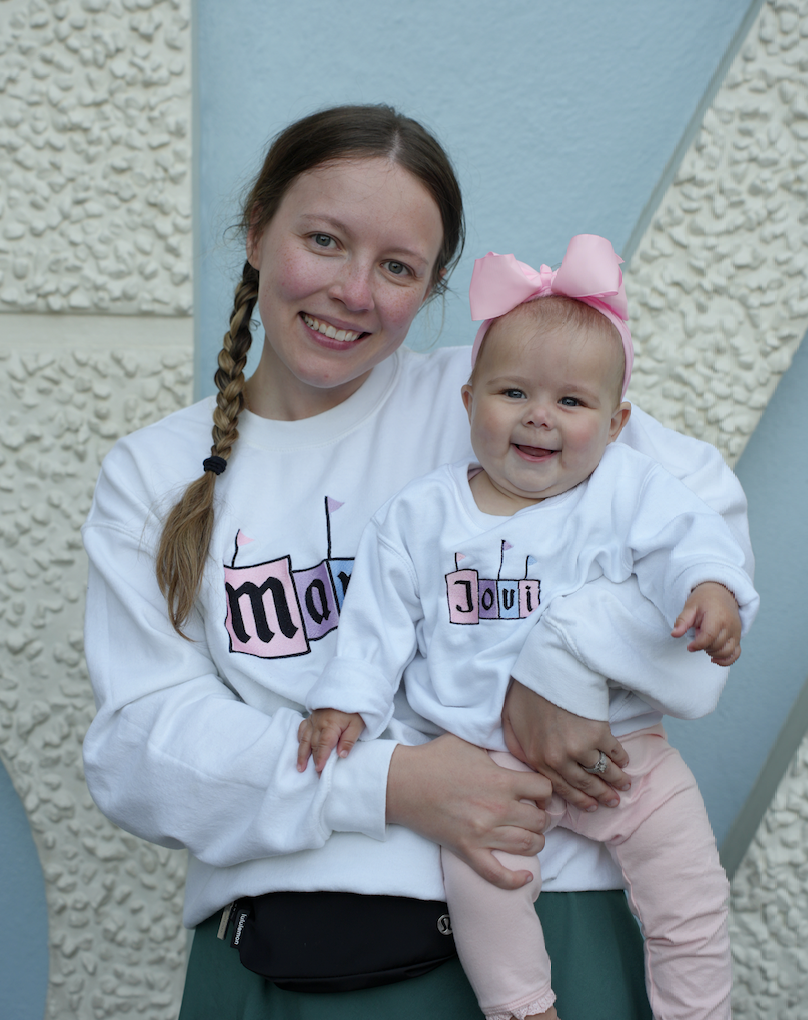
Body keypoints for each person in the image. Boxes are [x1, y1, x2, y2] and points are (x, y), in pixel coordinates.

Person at [80, 105, 751, 1020]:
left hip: (565, 922)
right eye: (323, 239)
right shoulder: (154, 474)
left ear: (433, 288)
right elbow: (140, 753)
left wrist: (558, 666)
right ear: (256, 230)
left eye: (397, 267)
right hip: (297, 957)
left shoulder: (489, 403)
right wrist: (398, 784)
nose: (354, 291)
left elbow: (695, 534)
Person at [299, 237, 758, 1020]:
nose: (540, 417)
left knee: (691, 894)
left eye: (572, 404)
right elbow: (376, 623)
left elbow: (690, 538)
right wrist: (346, 700)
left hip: (627, 756)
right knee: (486, 891)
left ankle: (699, 1012)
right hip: (485, 770)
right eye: (513, 393)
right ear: (469, 399)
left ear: (615, 425)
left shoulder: (623, 490)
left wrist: (708, 587)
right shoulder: (423, 514)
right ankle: (522, 1009)